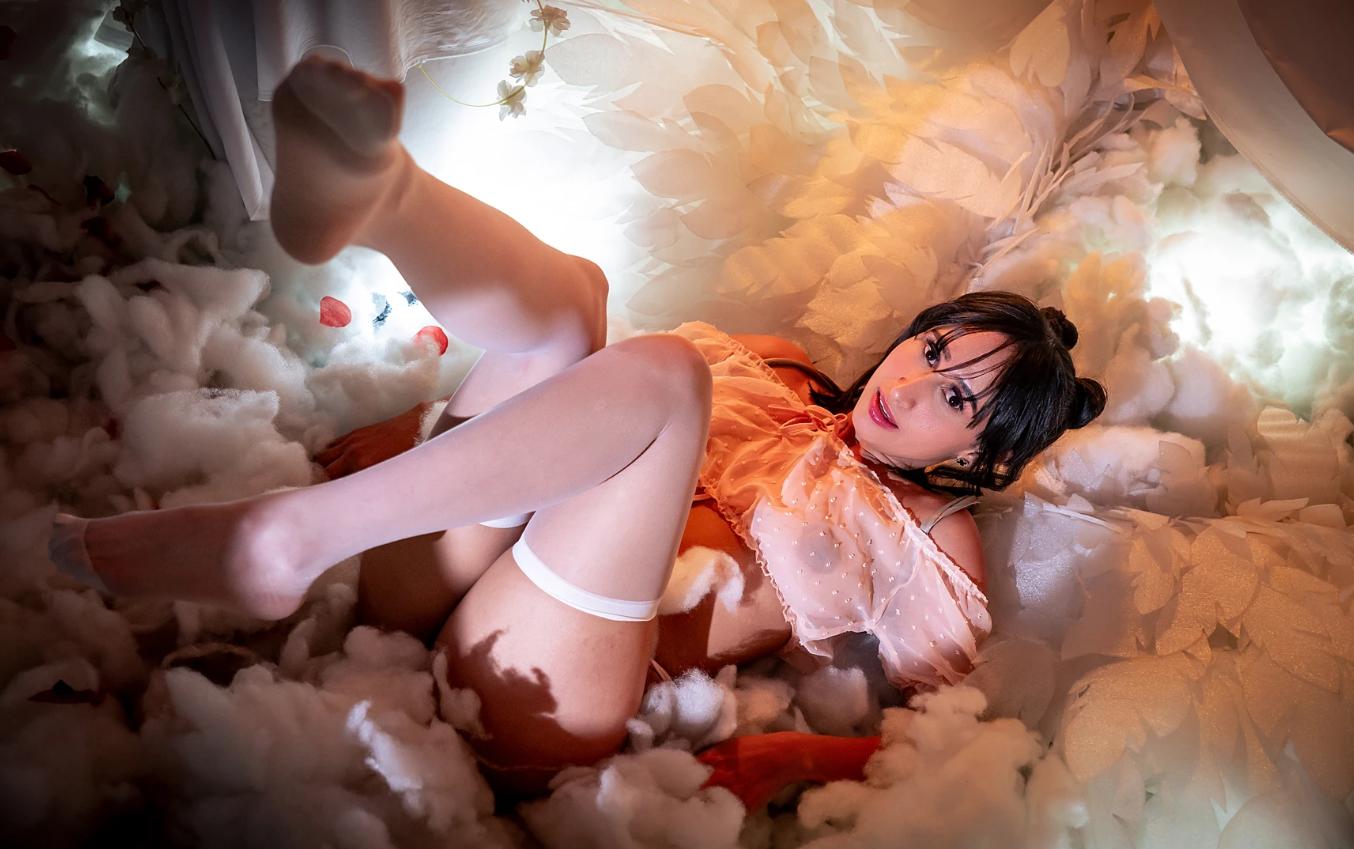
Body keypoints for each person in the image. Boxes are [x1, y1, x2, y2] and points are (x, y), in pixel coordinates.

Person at [47, 56, 1105, 801]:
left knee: (665, 375)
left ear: (981, 458)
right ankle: (381, 194)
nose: (912, 385)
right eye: (934, 349)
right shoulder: (779, 369)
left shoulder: (933, 541)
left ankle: (287, 539)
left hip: (544, 688)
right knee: (577, 305)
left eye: (957, 401)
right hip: (450, 571)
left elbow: (946, 744)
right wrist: (426, 422)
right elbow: (579, 412)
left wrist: (796, 757)